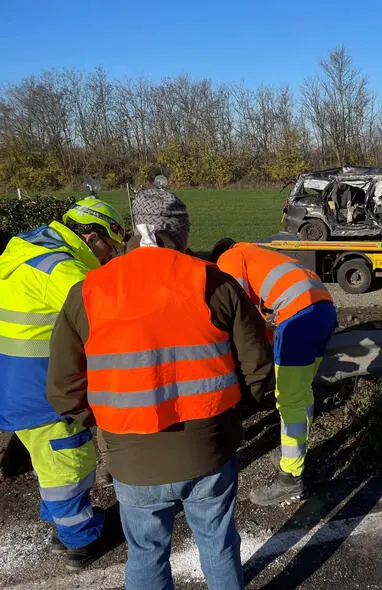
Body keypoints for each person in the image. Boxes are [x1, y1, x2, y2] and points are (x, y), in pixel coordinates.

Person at [46, 186, 275, 589]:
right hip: (209, 448)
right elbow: (258, 367)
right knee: (218, 546)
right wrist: (235, 414)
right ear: (179, 234)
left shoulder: (89, 290)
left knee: (147, 554)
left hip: (132, 459)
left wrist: (107, 424)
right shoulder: (214, 282)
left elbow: (63, 389)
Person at [0, 197, 125, 569]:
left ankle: (63, 520)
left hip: (16, 385)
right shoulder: (63, 271)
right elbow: (110, 318)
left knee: (51, 462)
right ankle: (80, 540)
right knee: (68, 465)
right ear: (90, 236)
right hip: (43, 393)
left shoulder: (30, 248)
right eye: (110, 247)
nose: (110, 256)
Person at [216, 242, 337, 506]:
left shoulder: (228, 259)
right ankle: (292, 454)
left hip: (298, 318)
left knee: (290, 400)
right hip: (322, 310)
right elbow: (262, 320)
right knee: (301, 395)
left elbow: (238, 313)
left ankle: (290, 480)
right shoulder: (256, 254)